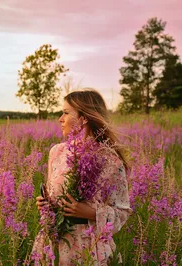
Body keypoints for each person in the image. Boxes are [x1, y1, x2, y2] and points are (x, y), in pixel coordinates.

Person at [32, 88, 133, 265]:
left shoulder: (109, 159)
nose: (60, 119)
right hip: (55, 244)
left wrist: (92, 213)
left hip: (89, 249)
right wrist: (46, 204)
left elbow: (122, 212)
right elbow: (54, 195)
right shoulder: (57, 152)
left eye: (65, 113)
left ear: (84, 118)